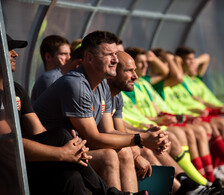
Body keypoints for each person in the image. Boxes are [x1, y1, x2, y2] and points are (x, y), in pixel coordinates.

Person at [1, 33, 147, 195]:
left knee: (72, 167)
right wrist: (61, 153)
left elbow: (39, 132)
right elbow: (7, 143)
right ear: (89, 58)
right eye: (9, 49)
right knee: (104, 154)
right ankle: (112, 193)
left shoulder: (16, 89)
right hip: (15, 165)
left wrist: (69, 149)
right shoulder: (74, 84)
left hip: (48, 153)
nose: (15, 53)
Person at [33, 31, 169, 192]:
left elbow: (109, 131)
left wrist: (147, 138)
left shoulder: (102, 83)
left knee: (126, 152)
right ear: (89, 58)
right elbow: (93, 139)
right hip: (46, 158)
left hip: (74, 150)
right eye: (109, 55)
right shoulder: (75, 84)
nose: (115, 60)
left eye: (115, 55)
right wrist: (141, 139)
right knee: (108, 156)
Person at [107, 51, 224, 194]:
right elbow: (104, 131)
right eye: (129, 70)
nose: (137, 72)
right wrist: (142, 135)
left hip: (148, 125)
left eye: (142, 64)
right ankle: (197, 184)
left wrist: (144, 133)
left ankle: (197, 183)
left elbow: (118, 125)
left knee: (165, 138)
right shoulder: (113, 89)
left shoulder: (127, 89)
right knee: (147, 147)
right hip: (139, 129)